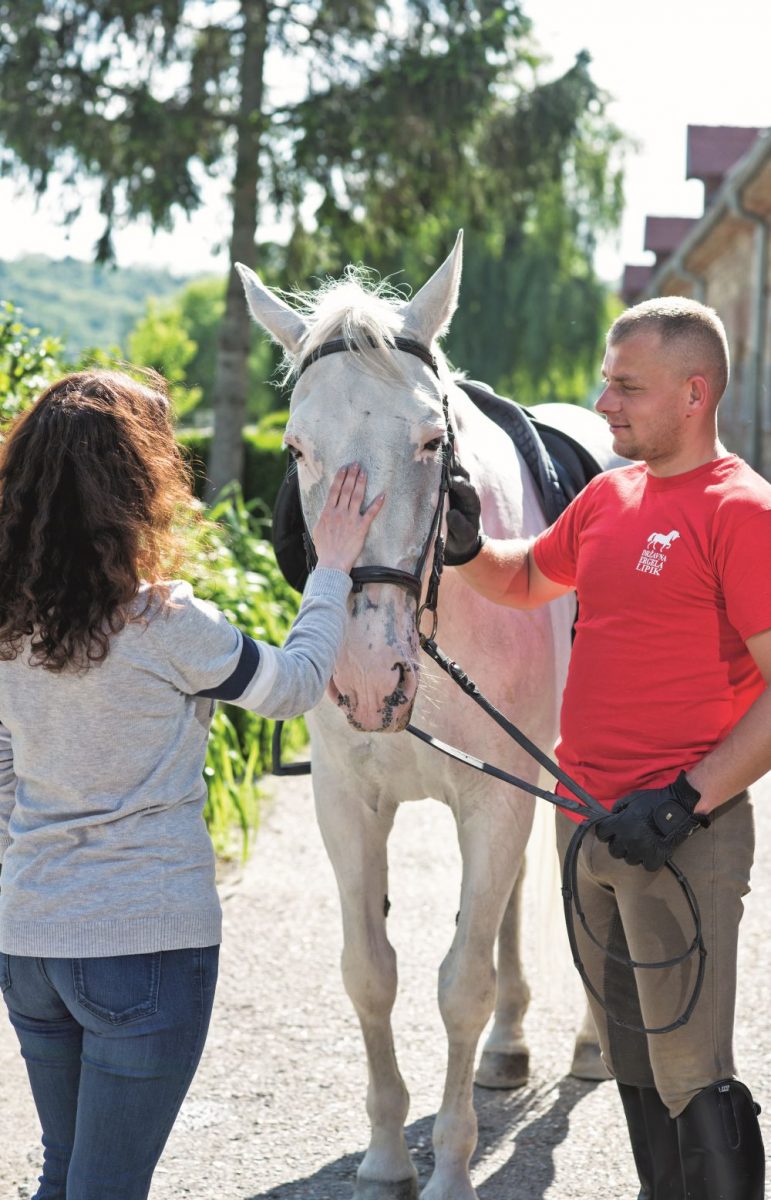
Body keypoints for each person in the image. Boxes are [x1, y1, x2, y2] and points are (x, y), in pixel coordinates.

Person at [0, 369, 383, 1200]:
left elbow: (4, 774)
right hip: (143, 943)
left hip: (30, 941)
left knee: (65, 1175)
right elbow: (290, 687)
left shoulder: (9, 628)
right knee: (103, 1188)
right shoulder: (166, 623)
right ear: (138, 484)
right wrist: (335, 568)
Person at [443, 297, 770, 1199]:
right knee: (628, 1060)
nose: (604, 400)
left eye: (627, 386)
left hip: (680, 835)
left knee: (690, 1070)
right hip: (585, 825)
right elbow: (521, 579)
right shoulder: (606, 497)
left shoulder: (739, 510)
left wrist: (684, 800)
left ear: (693, 393)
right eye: (606, 379)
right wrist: (464, 542)